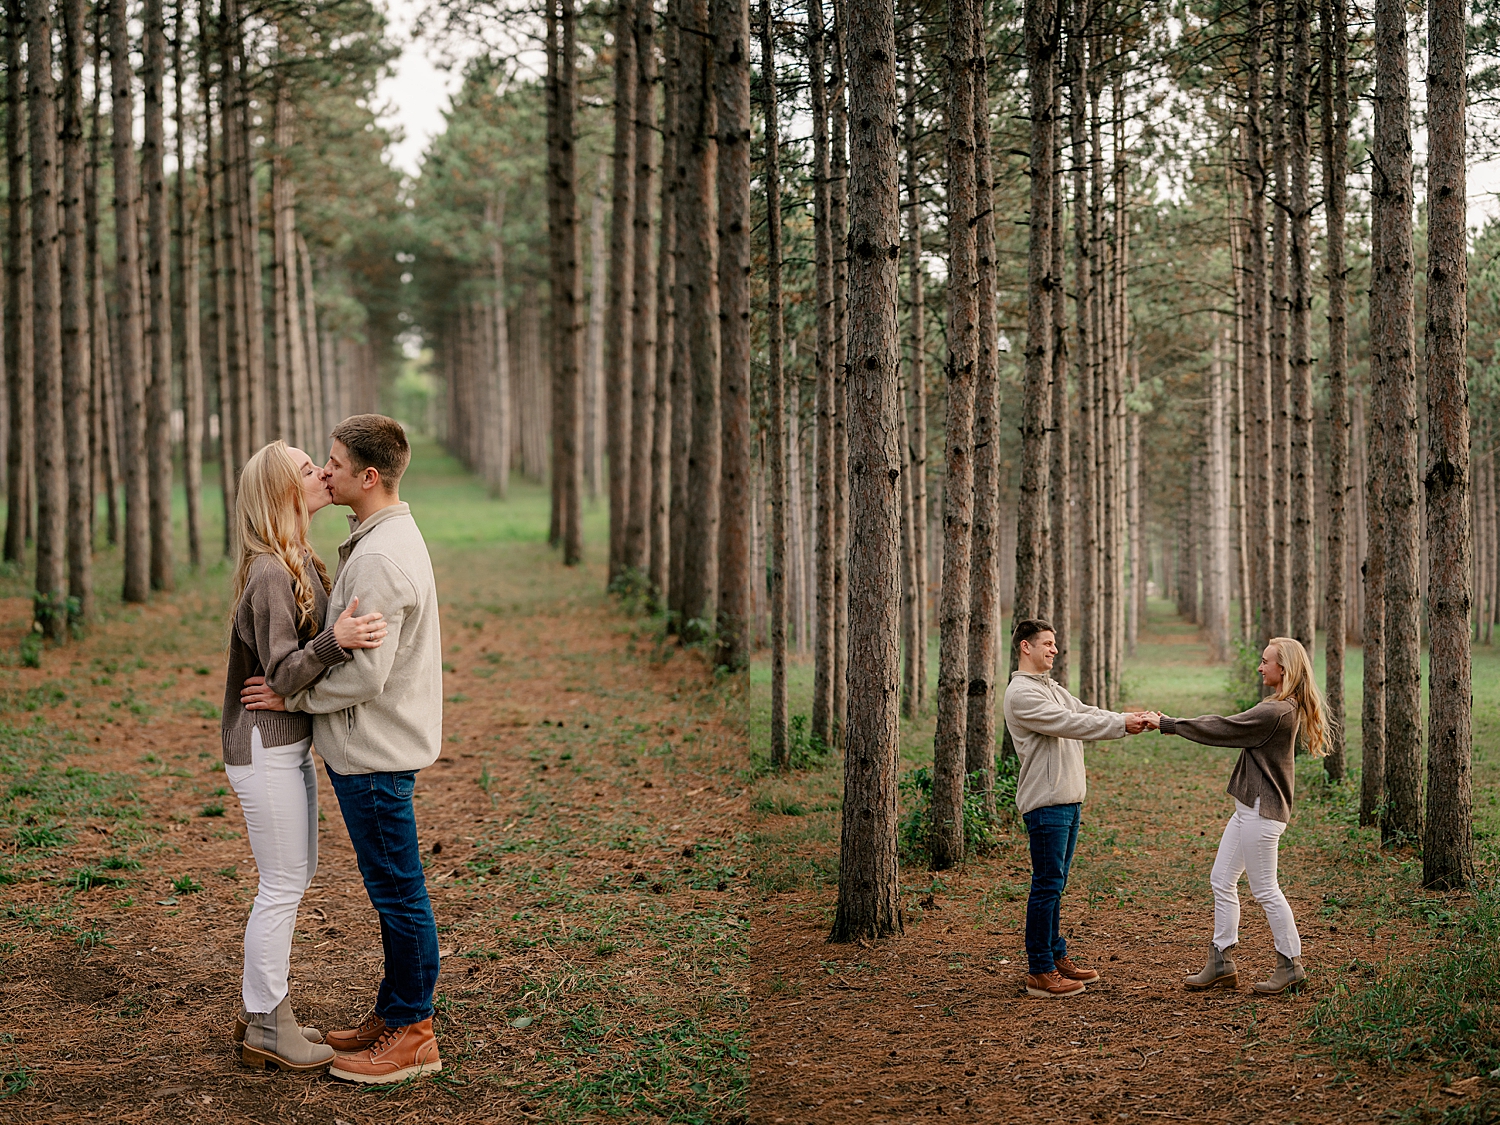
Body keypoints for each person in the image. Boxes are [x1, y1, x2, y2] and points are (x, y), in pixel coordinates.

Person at [243, 414, 446, 1084]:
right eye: (317, 463)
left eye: (332, 462)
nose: (325, 472)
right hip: (370, 747)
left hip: (376, 754)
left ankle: (413, 1031)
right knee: (393, 890)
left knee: (399, 895)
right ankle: (395, 1013)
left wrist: (293, 698)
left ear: (369, 475)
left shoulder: (381, 556)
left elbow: (366, 673)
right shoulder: (374, 540)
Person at [221, 440, 388, 1073]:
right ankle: (267, 1022)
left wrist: (294, 684)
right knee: (284, 883)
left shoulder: (296, 558)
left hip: (284, 741)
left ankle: (263, 1009)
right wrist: (336, 641)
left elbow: (286, 678)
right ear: (282, 491)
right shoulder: (269, 571)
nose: (320, 472)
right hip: (262, 749)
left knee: (293, 877)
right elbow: (287, 670)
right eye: (305, 469)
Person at [1153, 636, 1328, 996]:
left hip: (1262, 813)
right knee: (1221, 879)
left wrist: (1170, 724)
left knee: (1265, 890)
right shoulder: (1279, 705)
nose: (1260, 667)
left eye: (1266, 662)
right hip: (1249, 809)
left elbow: (1223, 727)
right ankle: (1221, 961)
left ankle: (1291, 965)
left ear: (1285, 669)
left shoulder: (1274, 712)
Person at [1002, 619, 1153, 999]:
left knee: (1055, 886)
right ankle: (1039, 970)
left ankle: (1055, 957)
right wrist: (1122, 723)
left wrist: (1126, 720)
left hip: (1067, 801)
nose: (1054, 650)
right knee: (1046, 887)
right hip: (1046, 804)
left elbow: (1086, 710)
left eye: (1055, 644)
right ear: (1026, 647)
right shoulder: (1022, 694)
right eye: (1047, 644)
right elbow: (1069, 723)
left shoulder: (1049, 687)